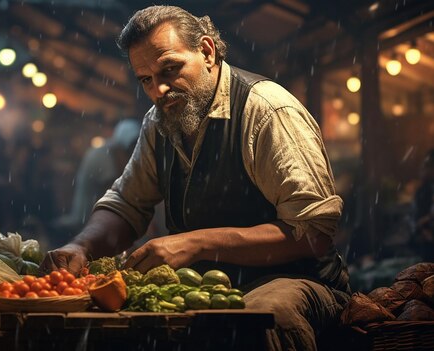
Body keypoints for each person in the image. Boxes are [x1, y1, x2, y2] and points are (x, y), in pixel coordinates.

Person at [42, 5, 350, 350]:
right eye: (146, 79)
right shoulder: (158, 122)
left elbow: (313, 234)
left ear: (206, 51)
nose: (159, 90)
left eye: (170, 69)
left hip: (297, 280)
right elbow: (126, 204)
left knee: (256, 319)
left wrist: (197, 243)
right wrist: (80, 246)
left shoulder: (267, 110)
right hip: (203, 285)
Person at [52, 119, 142, 245]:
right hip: (85, 223)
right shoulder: (103, 156)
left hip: (92, 224)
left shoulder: (108, 152)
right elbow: (117, 195)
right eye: (129, 151)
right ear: (121, 147)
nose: (130, 157)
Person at [412, 149, 434, 261]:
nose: (422, 171)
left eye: (426, 167)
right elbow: (416, 220)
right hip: (427, 244)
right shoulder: (423, 190)